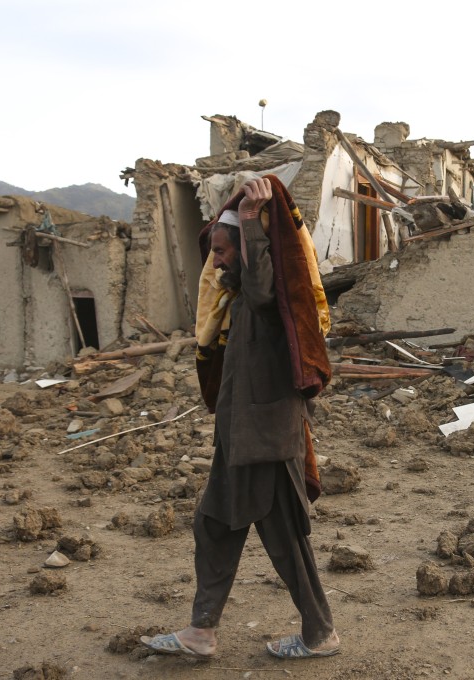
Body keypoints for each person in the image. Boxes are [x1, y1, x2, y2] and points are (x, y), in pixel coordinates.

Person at [141, 176, 339, 660]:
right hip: (244, 437)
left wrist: (251, 221)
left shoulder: (266, 299)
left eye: (225, 251)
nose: (218, 259)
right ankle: (202, 632)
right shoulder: (238, 305)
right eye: (217, 251)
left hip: (266, 439)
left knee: (283, 540)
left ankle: (318, 634)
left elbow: (262, 282)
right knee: (216, 527)